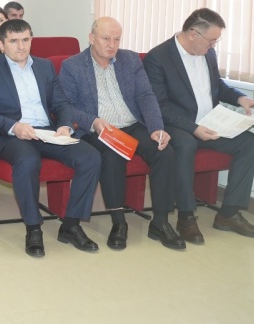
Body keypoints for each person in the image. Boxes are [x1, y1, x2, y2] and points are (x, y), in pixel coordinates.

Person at [0, 19, 102, 257]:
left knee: (90, 157)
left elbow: (61, 103)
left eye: (25, 39)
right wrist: (14, 127)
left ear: (31, 39)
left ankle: (71, 225)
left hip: (47, 132)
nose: (21, 46)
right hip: (11, 135)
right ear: (1, 44)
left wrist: (64, 125)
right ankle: (33, 228)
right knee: (28, 160)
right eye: (13, 41)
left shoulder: (45, 67)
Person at [58, 18, 185, 251]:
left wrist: (156, 128)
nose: (112, 45)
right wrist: (93, 121)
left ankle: (160, 222)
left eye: (117, 39)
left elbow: (146, 96)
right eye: (106, 39)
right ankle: (119, 222)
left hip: (131, 124)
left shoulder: (130, 60)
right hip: (99, 129)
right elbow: (66, 105)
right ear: (92, 38)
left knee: (164, 151)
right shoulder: (72, 66)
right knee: (112, 156)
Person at [144, 8, 254, 242]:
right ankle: (186, 216)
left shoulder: (207, 53)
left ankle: (229, 214)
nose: (213, 46)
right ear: (193, 34)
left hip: (210, 123)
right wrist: (193, 128)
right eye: (211, 40)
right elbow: (159, 105)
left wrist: (240, 98)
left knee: (250, 143)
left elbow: (216, 85)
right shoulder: (158, 57)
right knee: (186, 144)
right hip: (178, 127)